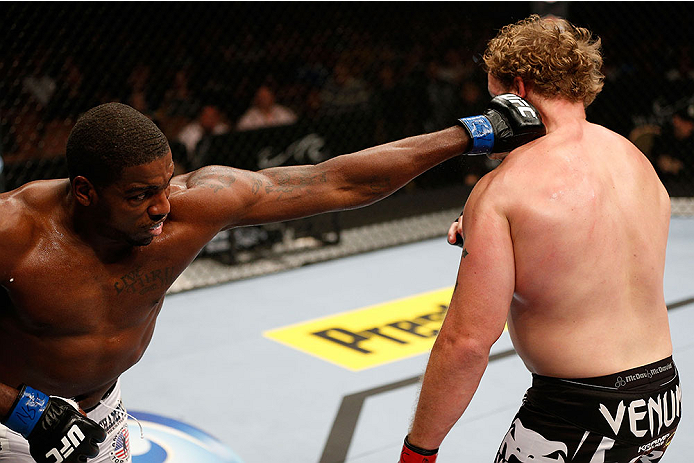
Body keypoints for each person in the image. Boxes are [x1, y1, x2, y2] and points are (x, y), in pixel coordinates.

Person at [0, 95, 544, 462]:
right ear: (85, 190)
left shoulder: (193, 206)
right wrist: (24, 411)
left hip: (103, 411)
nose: (163, 208)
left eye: (166, 185)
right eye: (140, 195)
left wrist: (469, 134)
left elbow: (337, 181)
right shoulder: (13, 233)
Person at [401, 15, 681, 463]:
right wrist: (498, 230)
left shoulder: (506, 189)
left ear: (517, 88)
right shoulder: (632, 159)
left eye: (495, 99)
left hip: (578, 414)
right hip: (662, 400)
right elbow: (590, 242)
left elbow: (467, 342)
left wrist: (418, 451)